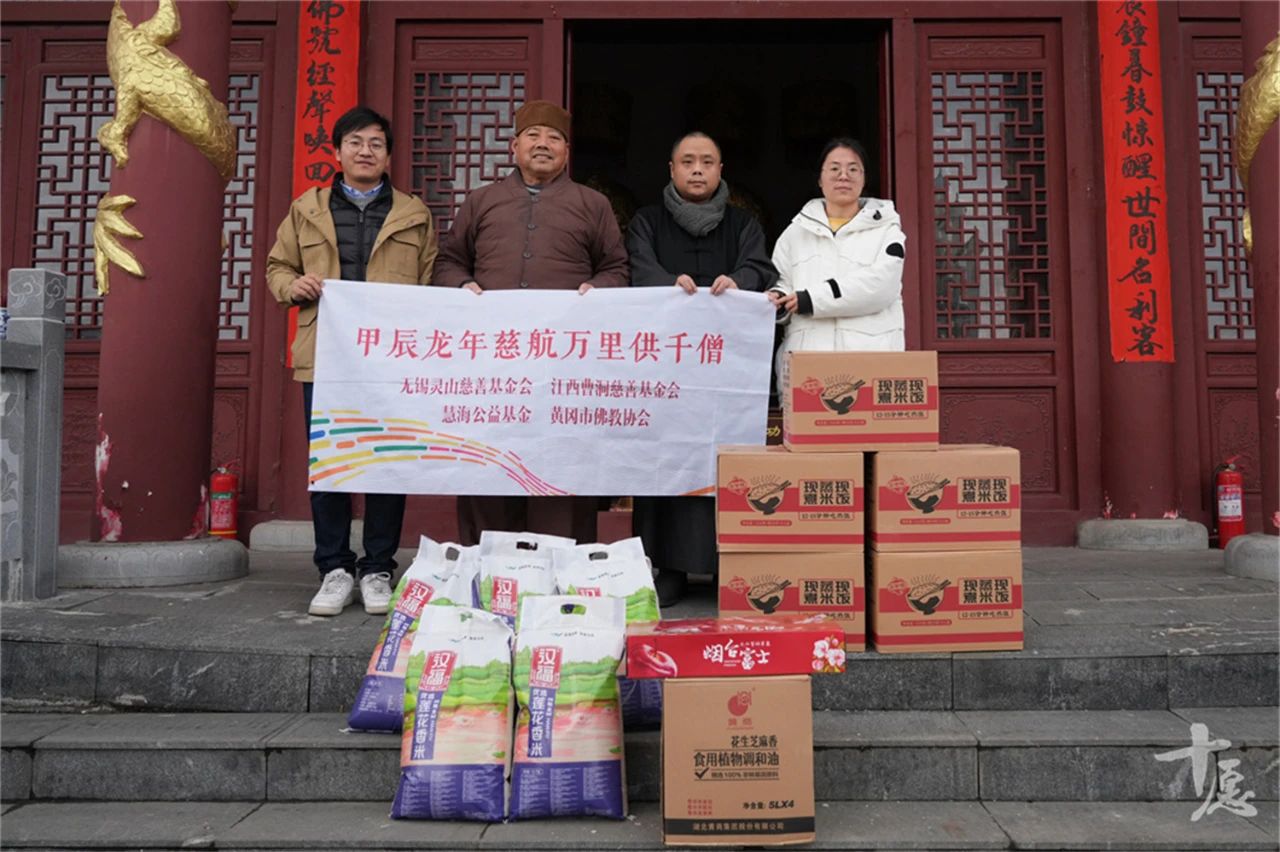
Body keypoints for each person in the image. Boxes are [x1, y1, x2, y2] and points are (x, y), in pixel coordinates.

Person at [266, 106, 437, 617]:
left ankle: (379, 567)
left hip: (391, 359)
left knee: (388, 462)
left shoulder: (413, 214)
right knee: (331, 466)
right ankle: (334, 569)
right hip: (327, 354)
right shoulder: (307, 209)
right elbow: (278, 267)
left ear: (388, 155)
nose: (366, 151)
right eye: (356, 142)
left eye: (376, 144)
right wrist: (293, 286)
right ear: (337, 152)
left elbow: (431, 283)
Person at [433, 99, 629, 546]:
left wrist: (596, 289)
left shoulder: (592, 204)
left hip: (563, 366)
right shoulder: (482, 201)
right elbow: (448, 262)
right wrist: (463, 285)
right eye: (533, 136)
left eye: (554, 137)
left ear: (567, 151)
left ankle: (560, 560)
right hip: (492, 365)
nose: (543, 144)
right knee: (489, 459)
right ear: (514, 146)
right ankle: (488, 560)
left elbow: (617, 268)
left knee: (562, 459)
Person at [626, 130, 777, 607]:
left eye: (707, 162)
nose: (697, 170)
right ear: (671, 170)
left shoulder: (743, 224)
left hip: (725, 372)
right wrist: (668, 286)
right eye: (687, 161)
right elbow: (637, 269)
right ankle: (667, 566)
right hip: (665, 371)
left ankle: (725, 567)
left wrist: (740, 281)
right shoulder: (647, 222)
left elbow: (760, 270)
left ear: (720, 170)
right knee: (666, 461)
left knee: (724, 459)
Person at [768, 137, 906, 379]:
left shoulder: (887, 230)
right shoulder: (795, 233)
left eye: (853, 169)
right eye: (834, 169)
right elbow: (782, 281)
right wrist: (778, 299)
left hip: (870, 362)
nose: (844, 176)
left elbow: (882, 285)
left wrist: (811, 300)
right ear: (820, 180)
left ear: (864, 179)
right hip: (808, 366)